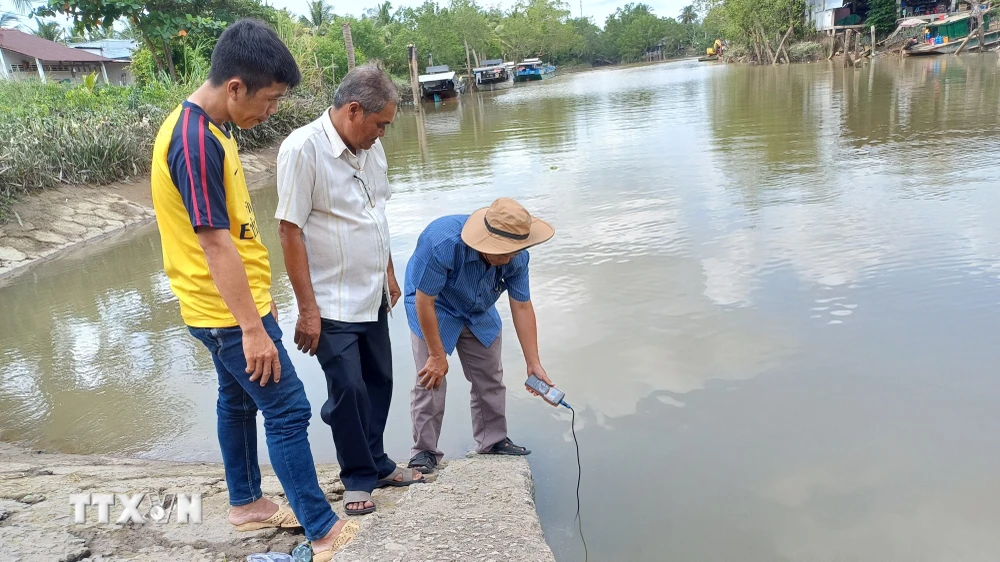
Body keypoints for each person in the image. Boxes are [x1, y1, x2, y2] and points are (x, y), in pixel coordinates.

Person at [149, 19, 356, 561]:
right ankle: (322, 529)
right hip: (225, 311)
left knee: (237, 401)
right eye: (269, 99)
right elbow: (215, 244)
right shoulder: (194, 141)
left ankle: (245, 503)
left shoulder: (209, 128)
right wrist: (251, 328)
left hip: (218, 306)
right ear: (235, 86)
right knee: (288, 409)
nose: (272, 111)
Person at [276, 64, 424, 517]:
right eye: (380, 124)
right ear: (354, 110)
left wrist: (390, 273)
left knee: (380, 382)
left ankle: (377, 462)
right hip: (331, 300)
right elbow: (289, 229)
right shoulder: (303, 149)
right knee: (349, 390)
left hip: (373, 293)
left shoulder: (371, 149)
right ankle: (357, 477)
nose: (382, 134)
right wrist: (307, 311)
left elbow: (376, 214)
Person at [404, 198, 557, 474]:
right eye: (502, 252)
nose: (509, 258)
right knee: (431, 377)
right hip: (434, 306)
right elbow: (424, 301)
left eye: (515, 250)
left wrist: (534, 362)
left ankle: (493, 440)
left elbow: (521, 306)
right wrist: (438, 355)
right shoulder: (441, 243)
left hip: (479, 305)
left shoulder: (517, 256)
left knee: (490, 376)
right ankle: (424, 451)